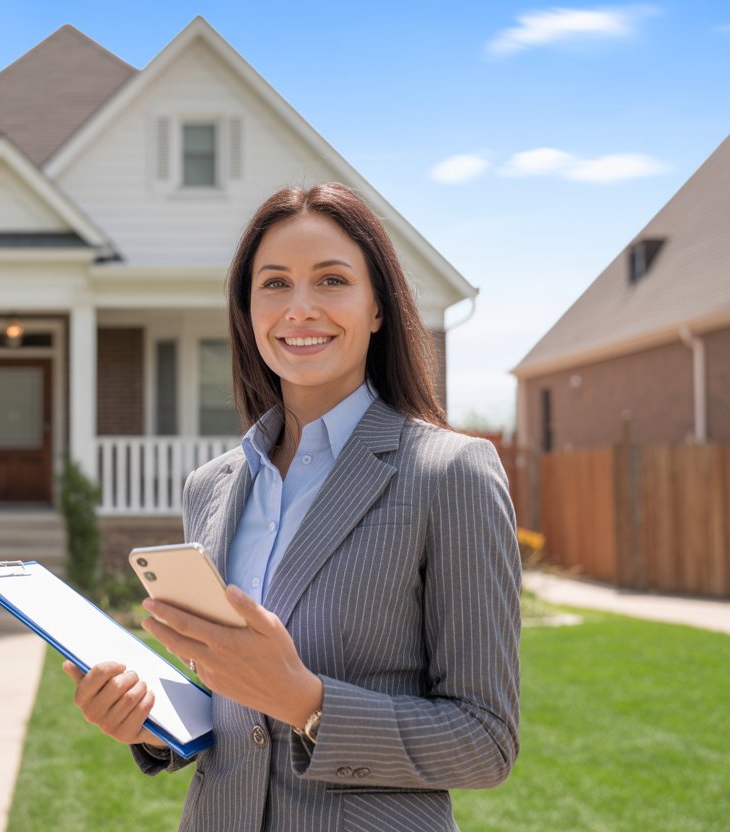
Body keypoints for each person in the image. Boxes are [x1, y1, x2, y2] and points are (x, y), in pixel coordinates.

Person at [63, 183, 520, 831]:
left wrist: (309, 704)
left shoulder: (449, 474)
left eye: (331, 280)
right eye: (274, 285)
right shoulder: (212, 487)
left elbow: (485, 742)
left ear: (378, 309)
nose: (299, 308)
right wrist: (151, 722)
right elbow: (236, 711)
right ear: (248, 312)